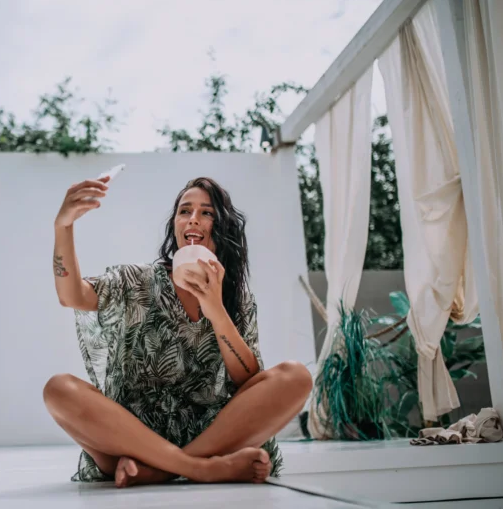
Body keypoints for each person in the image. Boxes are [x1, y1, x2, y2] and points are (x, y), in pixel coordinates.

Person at [44, 175, 312, 488]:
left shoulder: (237, 299)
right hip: (131, 438)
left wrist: (215, 309)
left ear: (222, 228)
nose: (193, 219)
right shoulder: (135, 280)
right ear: (176, 225)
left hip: (215, 435)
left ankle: (161, 469)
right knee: (58, 389)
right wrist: (63, 227)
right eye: (185, 211)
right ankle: (199, 468)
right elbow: (72, 296)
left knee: (296, 376)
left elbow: (248, 380)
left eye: (206, 213)